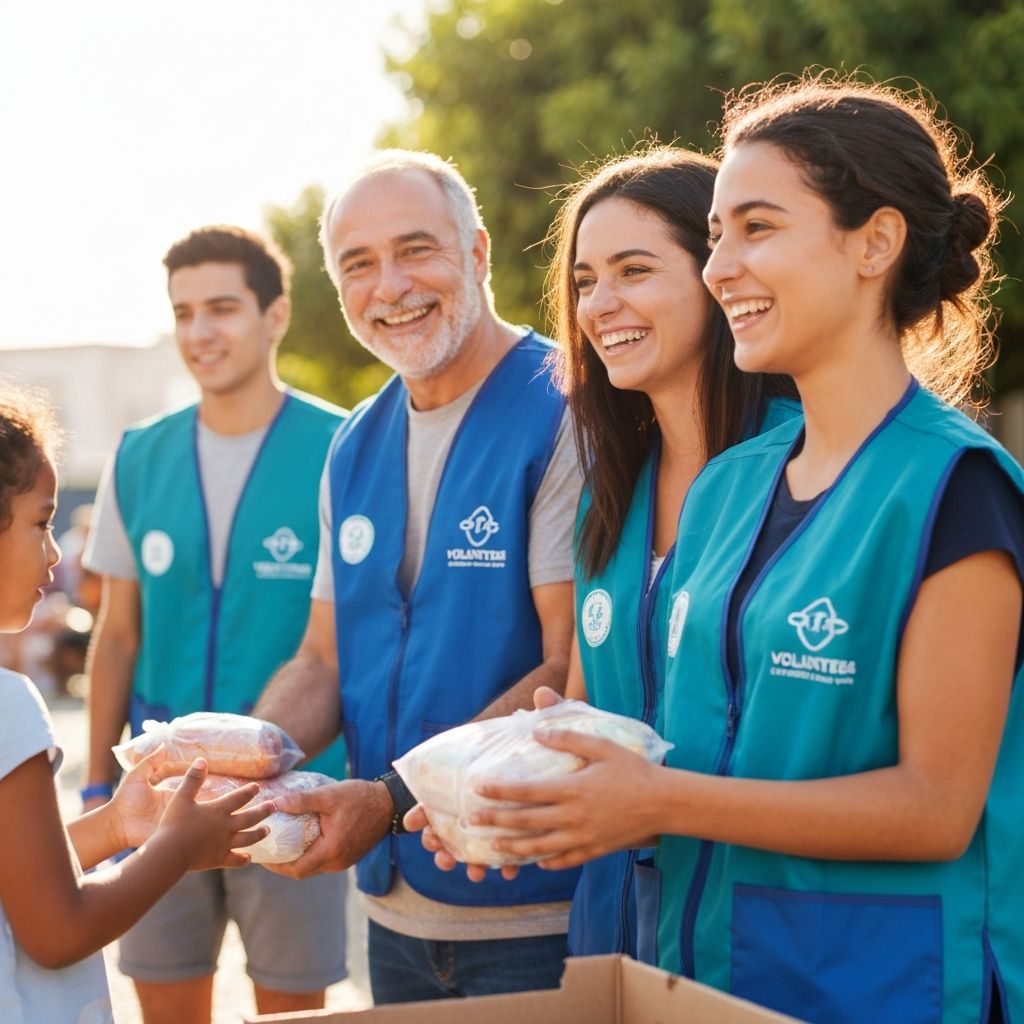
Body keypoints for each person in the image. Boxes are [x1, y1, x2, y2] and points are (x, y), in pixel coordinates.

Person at [463, 75, 1024, 1024]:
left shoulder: (955, 491)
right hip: (706, 974)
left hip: (880, 989)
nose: (721, 267)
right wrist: (524, 795)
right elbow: (673, 741)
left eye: (756, 228)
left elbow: (936, 805)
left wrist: (657, 803)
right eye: (717, 233)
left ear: (874, 244)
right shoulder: (732, 486)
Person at [421, 147, 797, 958]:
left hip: (767, 934)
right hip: (619, 929)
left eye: (634, 269)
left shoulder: (806, 469)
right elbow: (588, 714)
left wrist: (656, 802)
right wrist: (495, 793)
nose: (602, 304)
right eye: (585, 281)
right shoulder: (613, 493)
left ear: (718, 276)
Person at [253, 150, 583, 1003]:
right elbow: (322, 660)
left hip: (533, 915)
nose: (389, 285)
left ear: (476, 253)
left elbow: (567, 670)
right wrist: (244, 760)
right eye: (358, 264)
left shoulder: (565, 412)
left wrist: (390, 795)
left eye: (416, 249)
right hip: (395, 919)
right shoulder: (355, 442)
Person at [82, 226, 349, 1024]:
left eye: (223, 308)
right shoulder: (139, 457)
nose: (200, 332)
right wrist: (102, 780)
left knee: (292, 1011)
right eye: (184, 312)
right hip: (160, 796)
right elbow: (117, 636)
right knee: (165, 1006)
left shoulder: (345, 446)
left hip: (293, 793)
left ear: (274, 316)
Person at [0, 379, 272, 1024]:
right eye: (42, 523)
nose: (59, 551)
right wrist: (175, 849)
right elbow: (57, 931)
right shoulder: (9, 705)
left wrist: (117, 828)